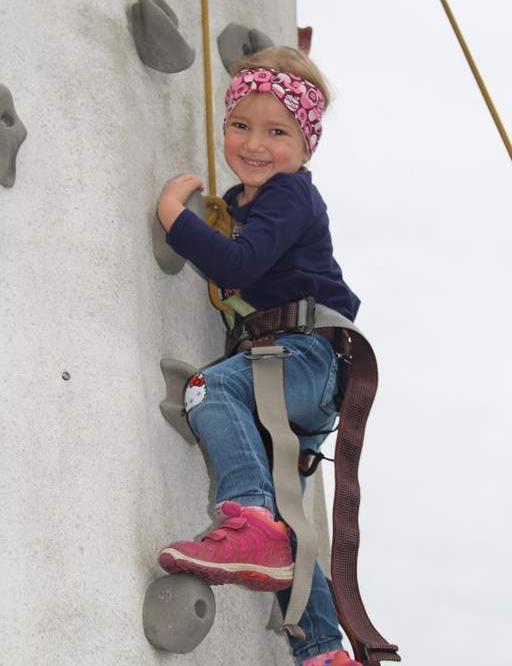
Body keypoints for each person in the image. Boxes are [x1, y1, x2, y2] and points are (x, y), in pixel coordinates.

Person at [156, 46, 363, 666]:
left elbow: (240, 265)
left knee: (208, 390)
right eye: (240, 125)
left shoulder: (290, 195)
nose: (254, 143)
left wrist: (174, 215)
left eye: (277, 131)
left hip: (304, 356)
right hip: (296, 371)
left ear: (305, 147)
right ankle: (325, 652)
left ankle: (248, 525)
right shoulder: (249, 203)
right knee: (293, 516)